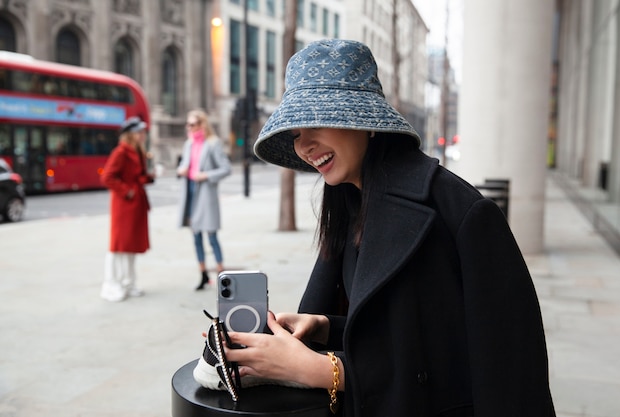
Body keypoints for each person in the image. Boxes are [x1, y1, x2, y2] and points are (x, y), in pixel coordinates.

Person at [217, 39, 556, 416]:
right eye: (296, 133)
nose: (305, 146)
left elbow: (500, 373)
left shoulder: (463, 214)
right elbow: (404, 331)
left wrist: (321, 370)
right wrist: (326, 325)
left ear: (366, 122)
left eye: (316, 122)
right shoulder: (353, 203)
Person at [177, 109, 231, 290]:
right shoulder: (188, 144)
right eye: (188, 124)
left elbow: (226, 168)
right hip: (190, 193)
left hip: (206, 194)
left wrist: (206, 175)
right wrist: (181, 170)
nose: (189, 127)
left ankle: (221, 274)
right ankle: (202, 274)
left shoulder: (213, 143)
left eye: (192, 124)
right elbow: (185, 165)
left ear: (202, 124)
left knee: (212, 235)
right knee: (196, 236)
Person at [100, 116, 153, 302]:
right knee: (118, 246)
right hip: (124, 205)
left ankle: (129, 282)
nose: (143, 135)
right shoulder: (121, 152)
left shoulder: (137, 151)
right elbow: (107, 177)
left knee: (131, 247)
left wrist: (149, 177)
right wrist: (127, 191)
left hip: (135, 204)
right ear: (131, 135)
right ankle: (111, 284)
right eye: (140, 132)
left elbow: (138, 177)